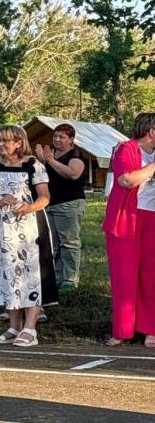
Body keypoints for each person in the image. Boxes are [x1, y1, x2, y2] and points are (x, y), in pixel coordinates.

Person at [0, 125, 56, 348]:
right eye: (0, 140)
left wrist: (28, 208)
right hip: (0, 231)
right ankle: (13, 326)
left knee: (31, 276)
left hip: (29, 231)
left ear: (19, 143)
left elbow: (45, 197)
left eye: (7, 141)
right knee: (6, 274)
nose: (2, 145)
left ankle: (30, 328)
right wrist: (0, 202)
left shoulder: (33, 165)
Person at [102, 112, 155, 347]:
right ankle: (123, 331)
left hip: (152, 218)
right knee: (125, 275)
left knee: (151, 275)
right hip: (126, 219)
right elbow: (127, 181)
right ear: (152, 132)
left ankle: (150, 329)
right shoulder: (127, 149)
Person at [35, 124, 87, 292]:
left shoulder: (76, 155)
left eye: (62, 137)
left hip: (69, 204)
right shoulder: (51, 154)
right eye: (55, 136)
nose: (57, 140)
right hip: (50, 203)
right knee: (53, 243)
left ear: (71, 140)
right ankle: (56, 277)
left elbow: (73, 173)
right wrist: (43, 161)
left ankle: (70, 279)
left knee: (69, 242)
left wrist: (51, 161)